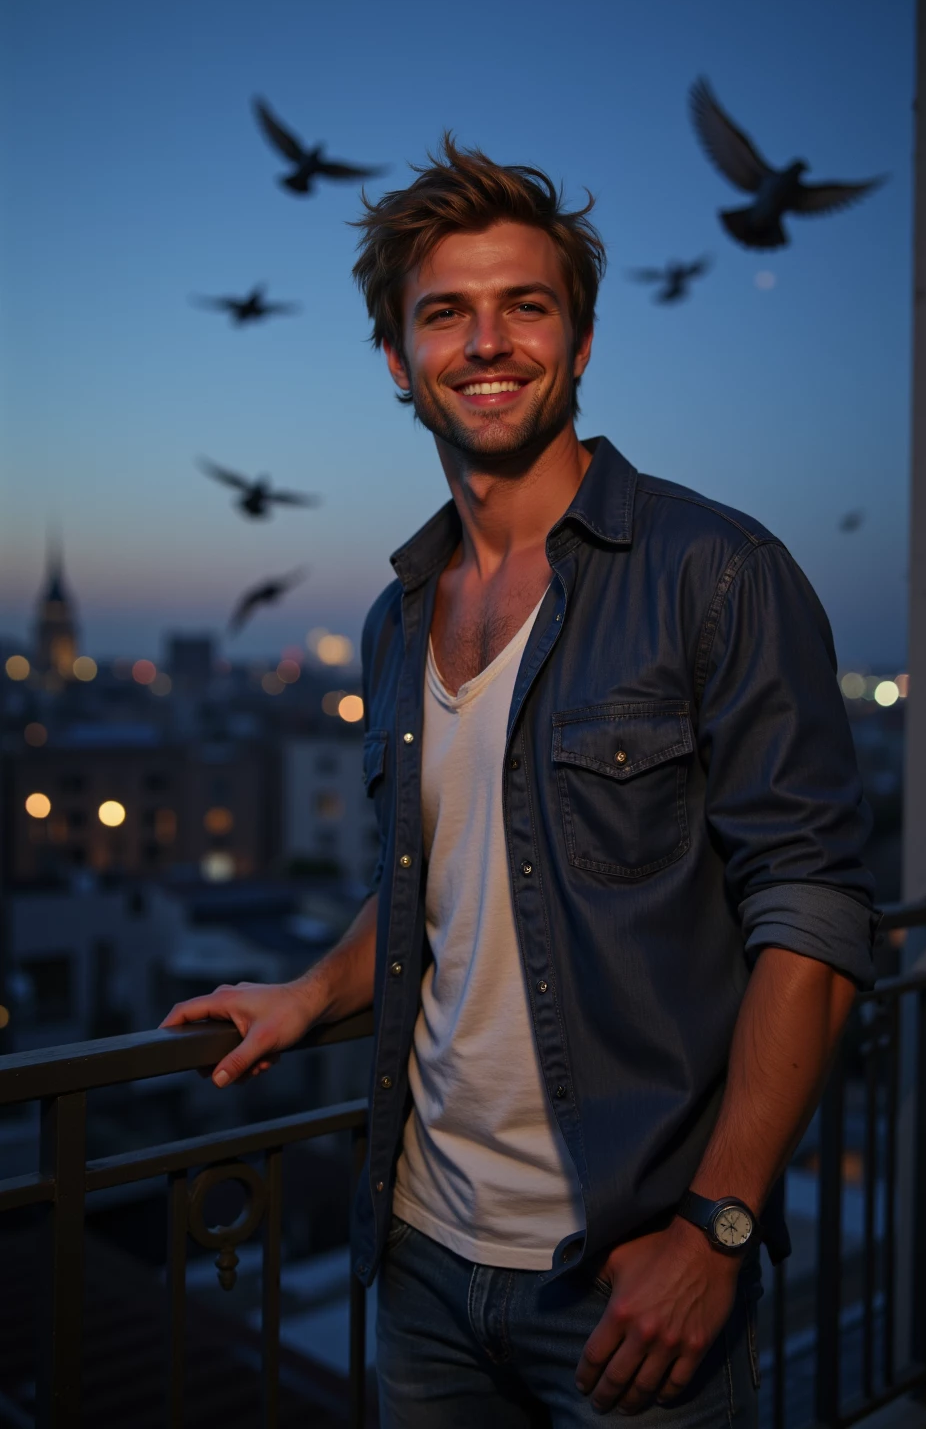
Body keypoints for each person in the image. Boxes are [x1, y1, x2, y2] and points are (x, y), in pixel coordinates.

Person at [163, 136, 876, 1426]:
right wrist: (310, 991)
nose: (486, 343)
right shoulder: (396, 618)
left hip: (627, 1272)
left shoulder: (716, 573)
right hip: (420, 1260)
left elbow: (813, 915)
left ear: (582, 341)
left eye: (524, 307)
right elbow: (441, 879)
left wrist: (716, 1231)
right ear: (399, 361)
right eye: (446, 313)